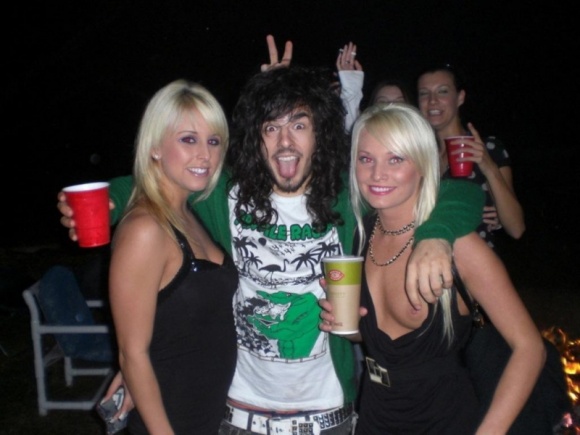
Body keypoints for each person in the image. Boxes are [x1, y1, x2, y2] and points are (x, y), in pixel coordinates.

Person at [58, 55, 484, 435]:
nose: (285, 142)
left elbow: (459, 192)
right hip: (238, 415)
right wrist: (110, 200)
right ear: (254, 137)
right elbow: (163, 180)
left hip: (328, 416)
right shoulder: (225, 194)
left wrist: (436, 233)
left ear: (320, 133)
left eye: (299, 125)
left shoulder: (348, 196)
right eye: (271, 127)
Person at [320, 102, 545, 434]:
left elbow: (530, 348)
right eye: (366, 159)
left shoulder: (459, 247)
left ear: (423, 163)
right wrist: (348, 325)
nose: (377, 174)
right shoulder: (360, 236)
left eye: (395, 159)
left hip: (443, 420)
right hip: (374, 415)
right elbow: (380, 342)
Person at [106, 79, 239, 433]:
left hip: (209, 413)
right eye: (188, 139)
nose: (205, 155)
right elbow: (132, 354)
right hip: (172, 418)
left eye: (213, 141)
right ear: (155, 147)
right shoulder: (145, 228)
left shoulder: (187, 213)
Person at [417, 63, 526, 247]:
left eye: (442, 91)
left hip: (474, 261)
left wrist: (489, 167)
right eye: (424, 93)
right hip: (428, 256)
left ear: (460, 98)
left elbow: (516, 228)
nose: (432, 100)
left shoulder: (487, 148)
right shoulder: (419, 155)